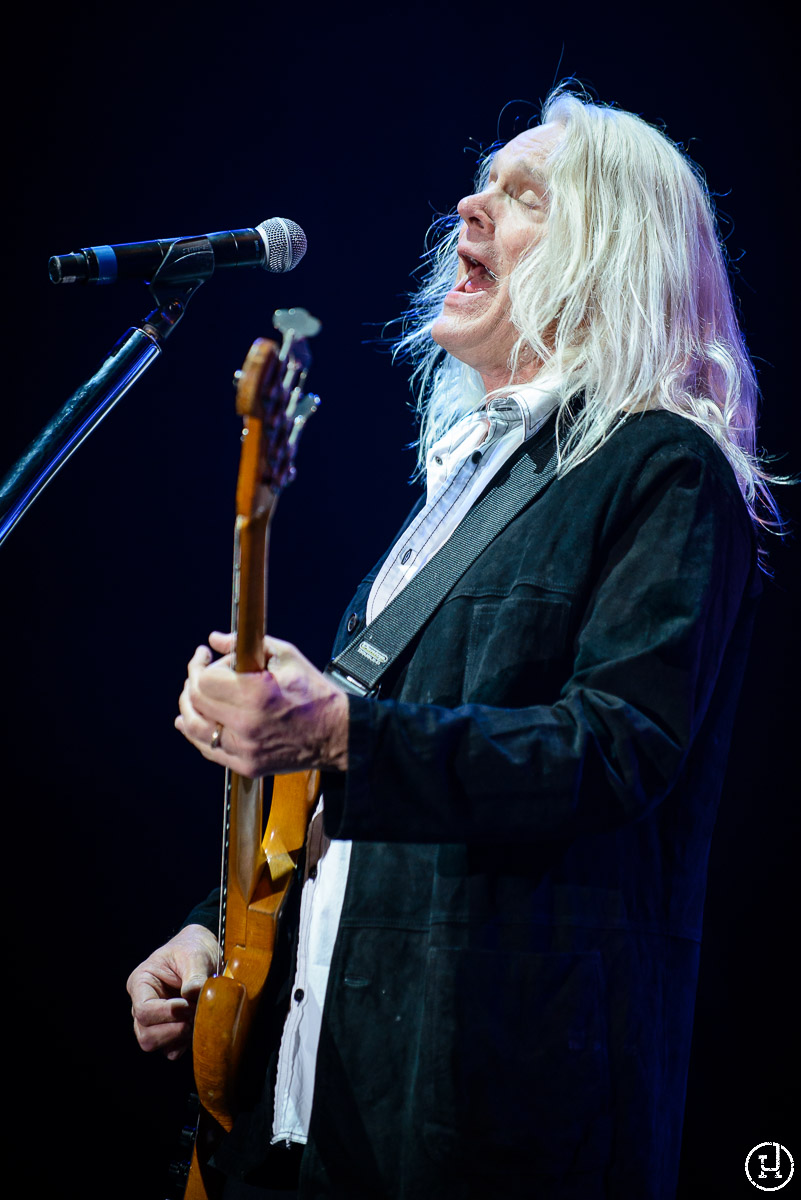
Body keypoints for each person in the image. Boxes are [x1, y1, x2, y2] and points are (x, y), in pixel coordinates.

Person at [127, 87, 779, 1199]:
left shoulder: (664, 467)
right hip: (310, 1115)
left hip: (487, 1117)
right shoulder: (469, 485)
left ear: (610, 255)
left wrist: (339, 730)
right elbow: (346, 803)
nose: (469, 206)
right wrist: (211, 934)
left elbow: (616, 748)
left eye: (522, 195)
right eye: (485, 181)